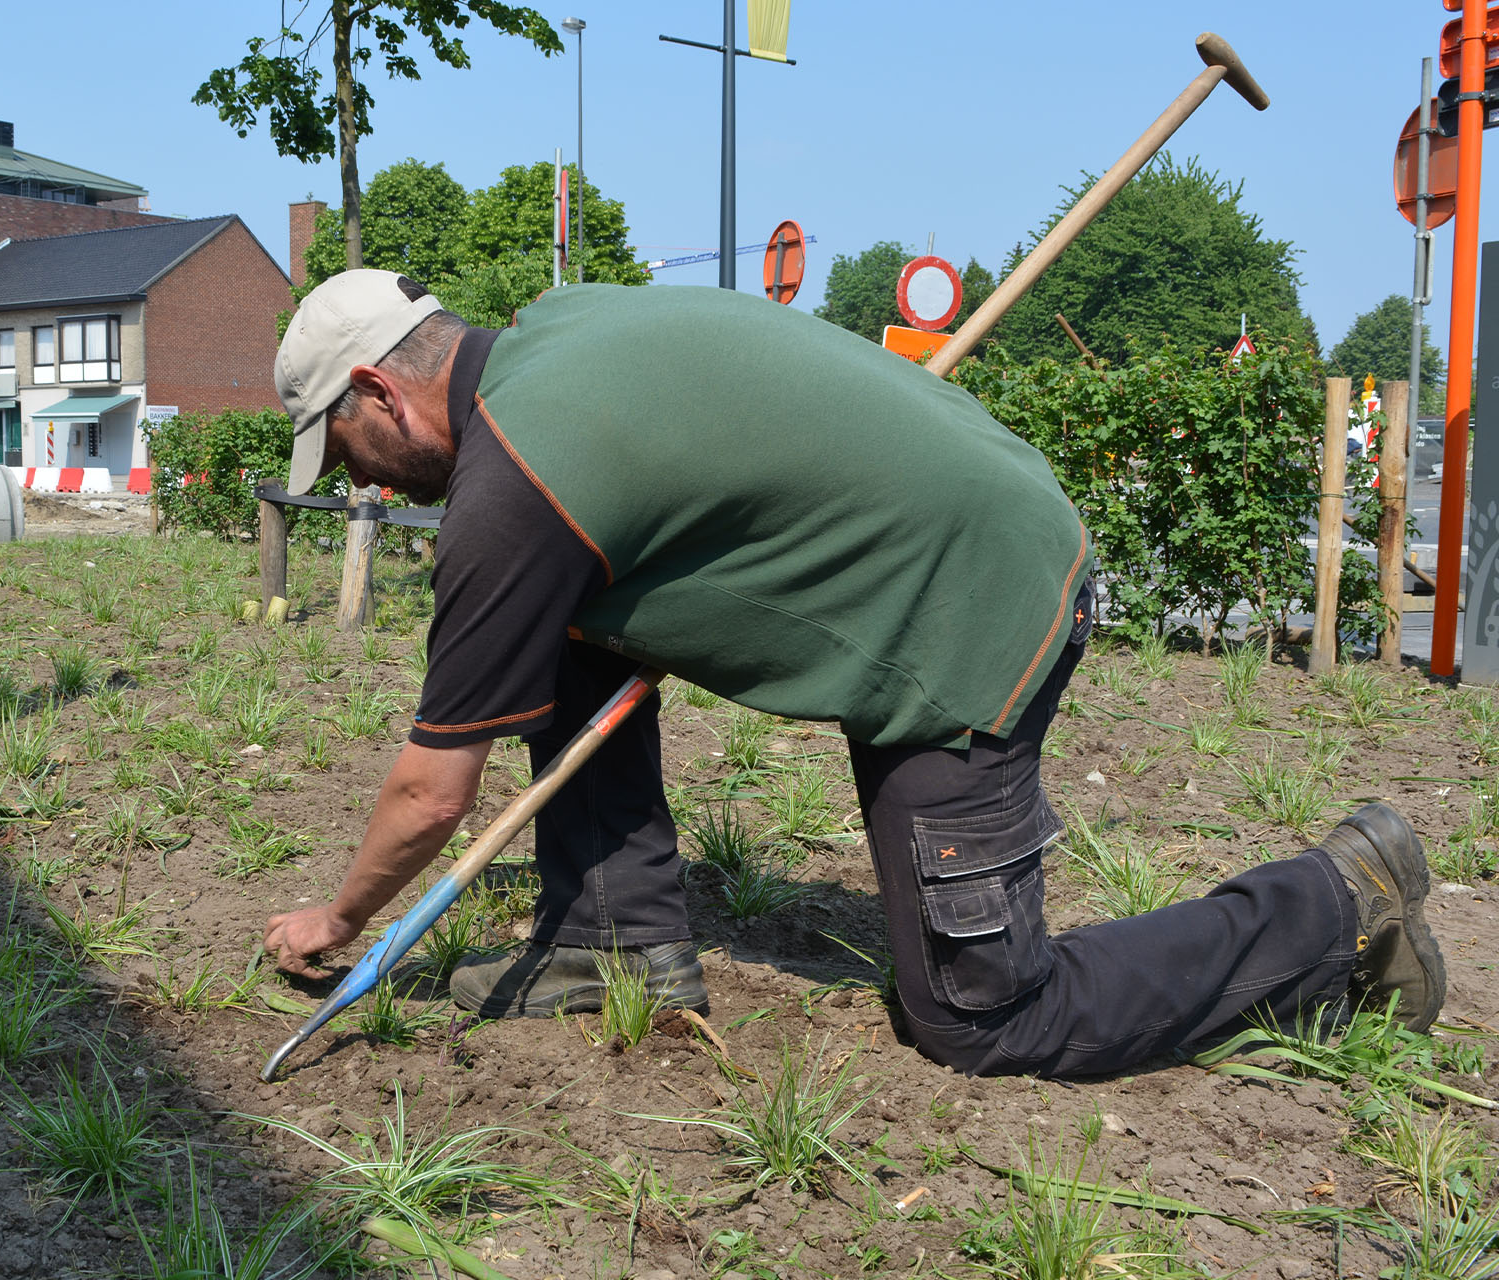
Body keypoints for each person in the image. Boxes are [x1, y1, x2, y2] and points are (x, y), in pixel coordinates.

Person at [260, 269, 1447, 1078]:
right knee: (558, 629)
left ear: (380, 392)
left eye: (348, 449)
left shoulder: (514, 488)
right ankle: (614, 934)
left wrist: (343, 916)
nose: (361, 483)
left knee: (987, 1016)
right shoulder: (553, 334)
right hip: (966, 524)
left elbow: (432, 790)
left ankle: (1337, 909)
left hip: (975, 606)